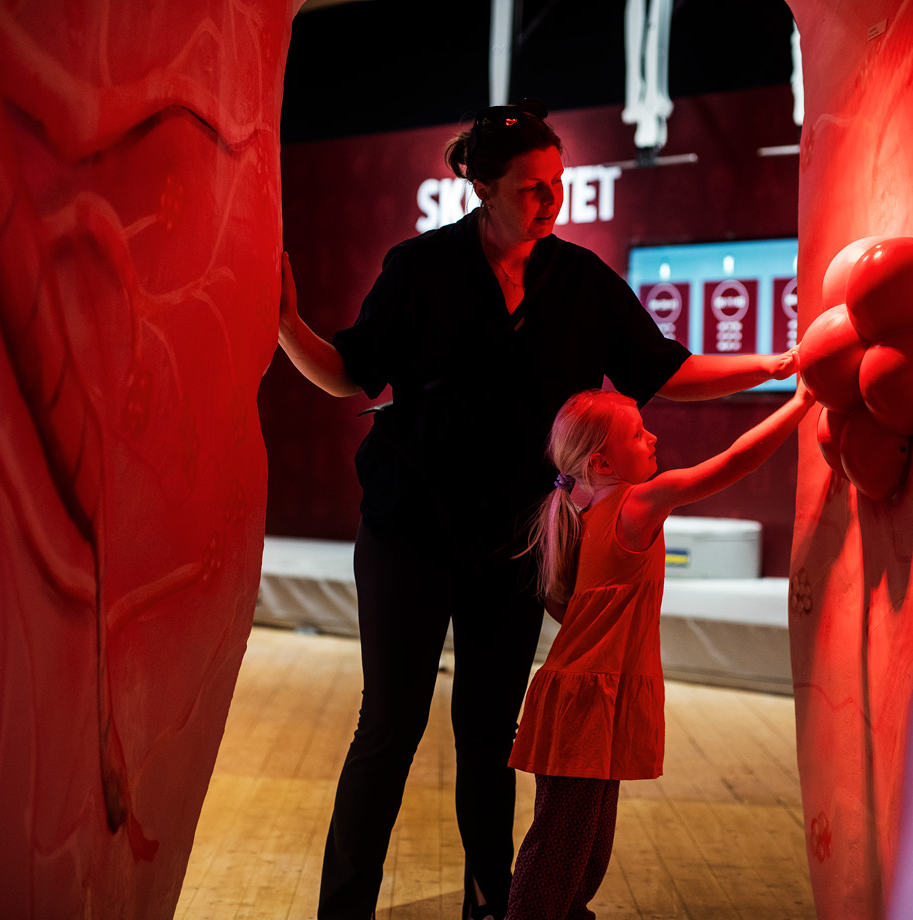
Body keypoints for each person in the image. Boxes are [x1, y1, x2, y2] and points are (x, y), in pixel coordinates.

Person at [276, 98, 798, 920]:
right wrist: (284, 325)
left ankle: (494, 903)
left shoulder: (581, 281)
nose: (551, 202)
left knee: (489, 737)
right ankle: (344, 911)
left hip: (511, 546)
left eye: (559, 184)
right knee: (389, 729)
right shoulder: (418, 269)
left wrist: (780, 363)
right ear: (480, 186)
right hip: (408, 532)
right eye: (531, 188)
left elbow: (663, 368)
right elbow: (350, 371)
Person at [505, 383, 815, 920]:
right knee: (562, 843)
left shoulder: (589, 510)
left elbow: (572, 609)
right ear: (603, 461)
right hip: (586, 701)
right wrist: (800, 403)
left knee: (584, 845)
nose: (653, 437)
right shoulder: (638, 503)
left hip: (592, 694)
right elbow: (733, 463)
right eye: (637, 433)